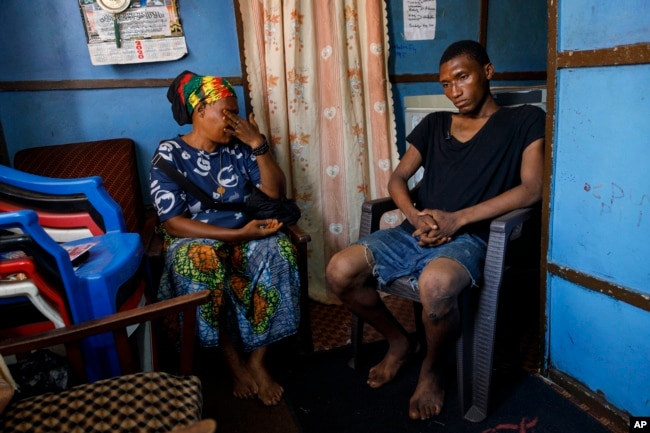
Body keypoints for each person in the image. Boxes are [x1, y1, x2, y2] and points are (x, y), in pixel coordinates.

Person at [326, 40, 545, 420]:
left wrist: (457, 219)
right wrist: (414, 216)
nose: (454, 91)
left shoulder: (524, 120)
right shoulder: (435, 125)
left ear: (487, 72)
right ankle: (398, 343)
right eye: (445, 83)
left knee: (436, 287)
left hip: (471, 238)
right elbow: (398, 178)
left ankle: (432, 367)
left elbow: (532, 188)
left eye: (462, 78)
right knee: (338, 271)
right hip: (417, 231)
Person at [149, 71, 300, 406]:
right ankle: (233, 363)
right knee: (197, 262)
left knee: (278, 250)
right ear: (200, 110)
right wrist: (234, 234)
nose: (234, 120)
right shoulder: (169, 153)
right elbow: (173, 223)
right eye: (226, 112)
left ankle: (258, 362)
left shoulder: (238, 150)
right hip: (198, 238)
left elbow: (274, 193)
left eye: (236, 112)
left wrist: (256, 143)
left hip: (247, 233)